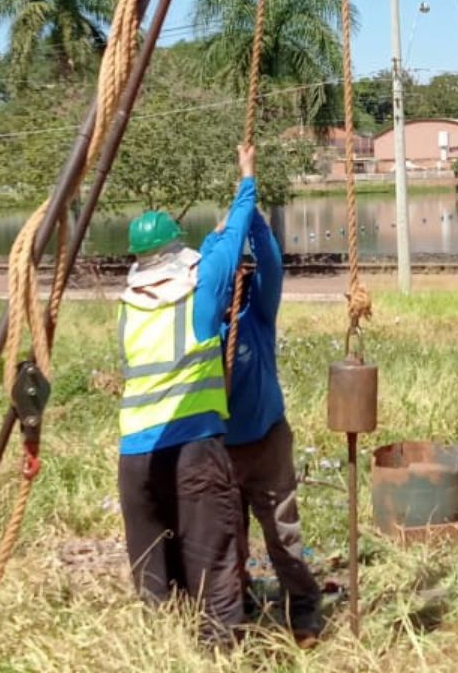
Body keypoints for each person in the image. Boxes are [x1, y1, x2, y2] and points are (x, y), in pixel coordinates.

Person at [116, 144, 256, 650]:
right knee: (213, 561)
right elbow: (233, 239)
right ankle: (219, 654)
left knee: (153, 571)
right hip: (194, 448)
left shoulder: (128, 308)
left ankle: (159, 653)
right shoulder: (200, 294)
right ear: (179, 253)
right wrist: (246, 179)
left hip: (135, 457)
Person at [210, 206, 323, 647]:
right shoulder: (200, 322)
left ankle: (305, 609)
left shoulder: (255, 317)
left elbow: (272, 265)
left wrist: (251, 216)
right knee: (226, 539)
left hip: (266, 443)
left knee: (282, 534)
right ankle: (238, 604)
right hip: (217, 450)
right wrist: (222, 235)